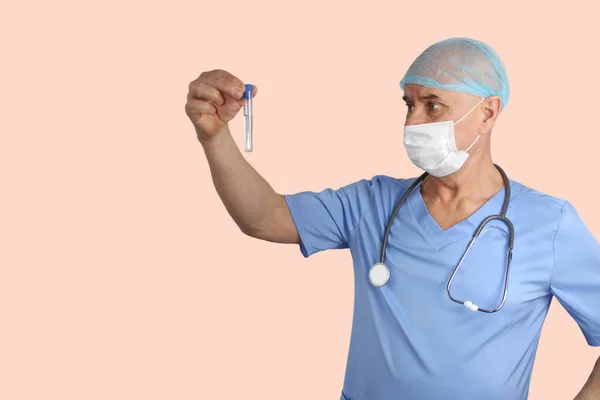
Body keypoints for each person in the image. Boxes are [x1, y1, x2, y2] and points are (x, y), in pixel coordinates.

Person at [185, 37, 600, 400]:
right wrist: (214, 136)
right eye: (409, 104)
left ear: (488, 113)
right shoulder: (374, 202)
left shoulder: (550, 224)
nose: (412, 121)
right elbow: (263, 218)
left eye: (432, 105)